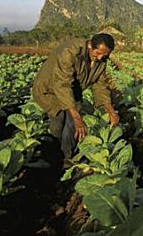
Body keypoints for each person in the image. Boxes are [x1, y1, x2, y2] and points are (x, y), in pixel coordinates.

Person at [32, 33, 120, 162]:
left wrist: (110, 111)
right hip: (50, 89)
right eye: (97, 53)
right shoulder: (70, 52)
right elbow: (62, 85)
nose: (100, 57)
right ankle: (54, 155)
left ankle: (67, 157)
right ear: (90, 45)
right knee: (59, 119)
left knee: (73, 124)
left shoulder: (101, 61)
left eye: (104, 55)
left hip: (73, 88)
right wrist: (77, 118)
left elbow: (100, 86)